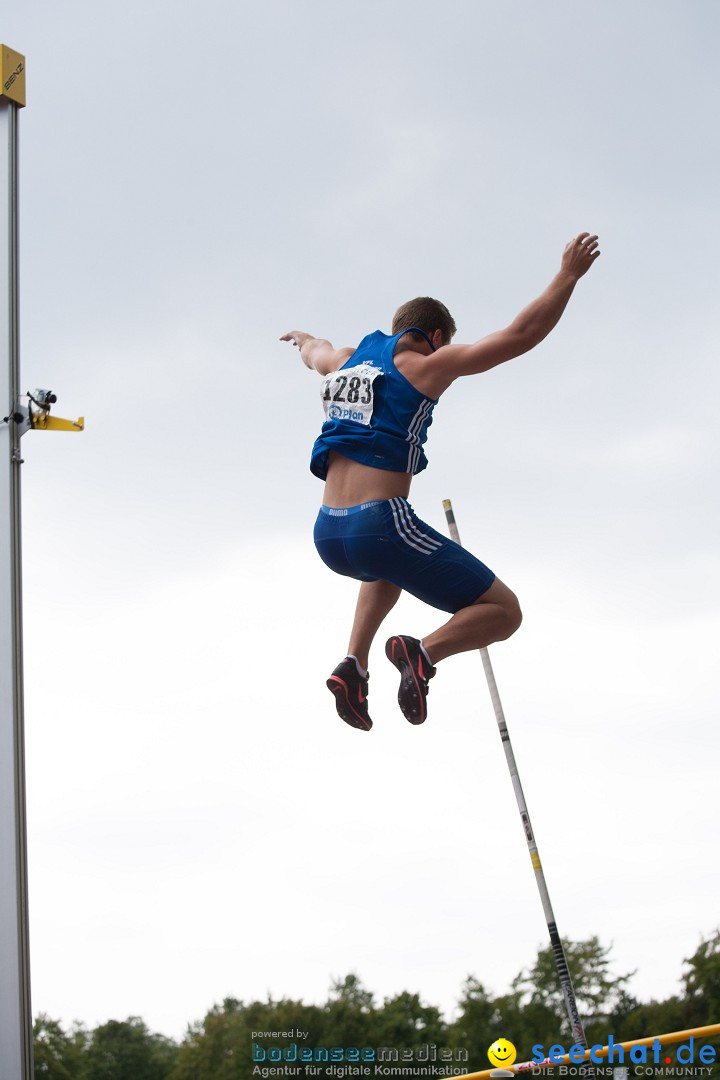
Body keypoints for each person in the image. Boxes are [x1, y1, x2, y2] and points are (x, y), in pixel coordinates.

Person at [281, 233, 600, 731]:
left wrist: (302, 338)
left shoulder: (344, 361)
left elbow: (314, 351)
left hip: (328, 533)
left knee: (388, 566)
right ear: (433, 335)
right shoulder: (424, 366)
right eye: (445, 343)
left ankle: (353, 664)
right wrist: (568, 275)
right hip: (378, 523)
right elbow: (519, 336)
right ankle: (422, 654)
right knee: (503, 612)